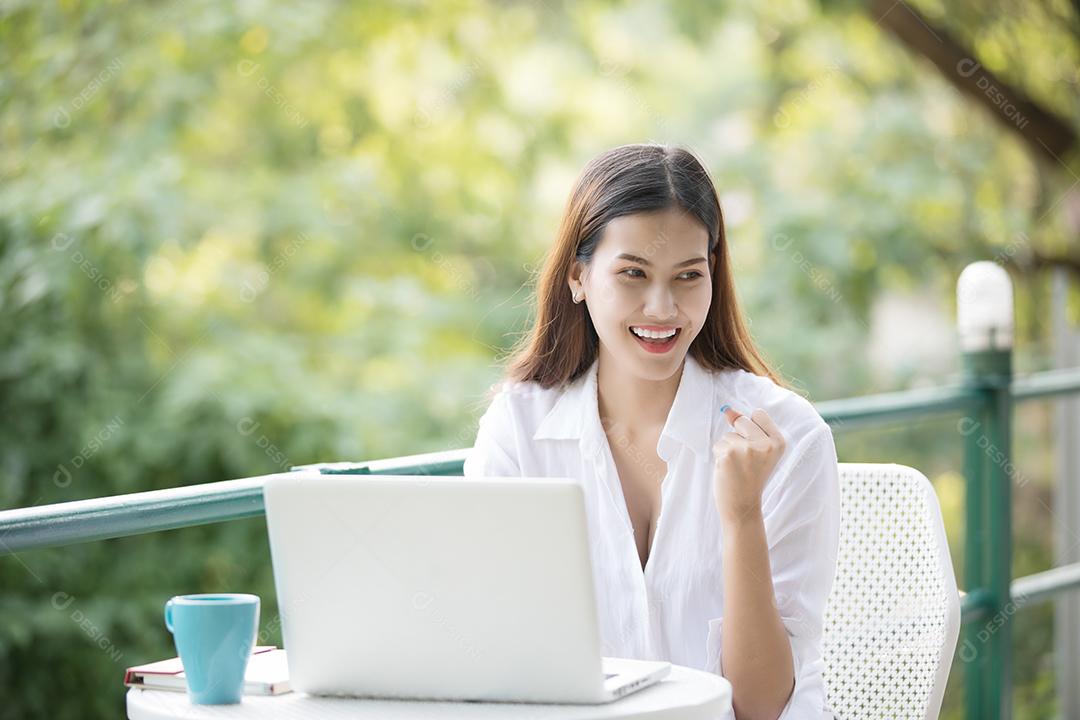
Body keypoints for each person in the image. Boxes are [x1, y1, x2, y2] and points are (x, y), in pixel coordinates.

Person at [463, 143, 841, 720]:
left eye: (688, 276)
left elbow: (760, 707)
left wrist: (742, 516)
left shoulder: (789, 437)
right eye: (633, 274)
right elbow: (487, 651)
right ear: (578, 276)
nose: (662, 308)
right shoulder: (518, 428)